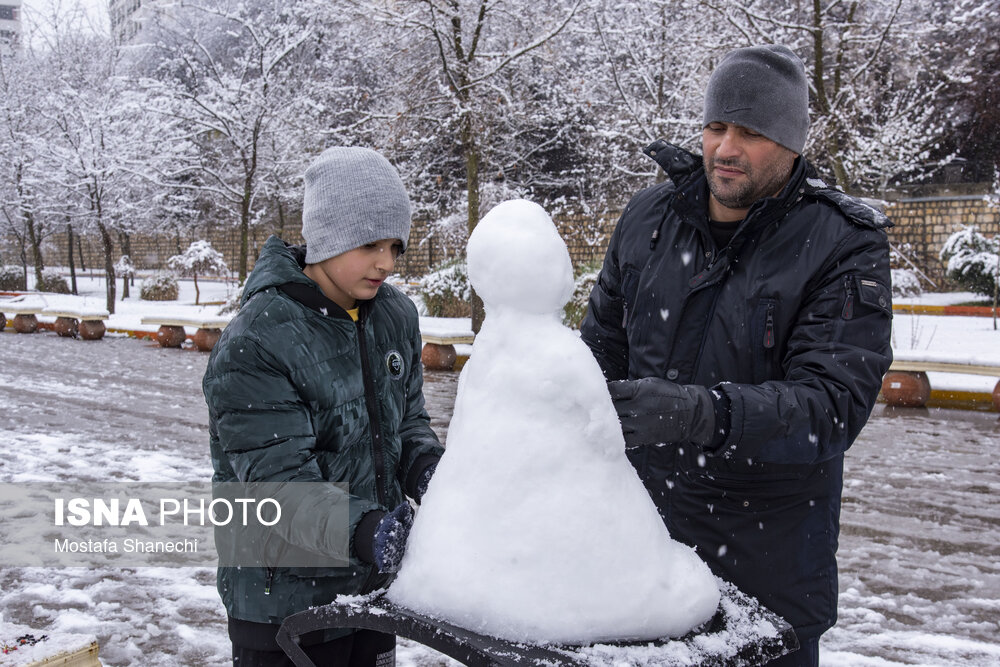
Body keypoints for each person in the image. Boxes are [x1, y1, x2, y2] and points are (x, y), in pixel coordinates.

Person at [580, 45, 893, 666]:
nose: (726, 147)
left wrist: (705, 415)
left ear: (792, 144)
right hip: (642, 558)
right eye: (716, 127)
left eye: (750, 132)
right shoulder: (648, 217)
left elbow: (831, 407)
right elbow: (598, 352)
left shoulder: (843, 243)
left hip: (766, 572)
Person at [203, 146, 443, 666]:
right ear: (328, 237)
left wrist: (429, 470)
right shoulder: (259, 341)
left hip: (372, 594)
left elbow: (409, 423)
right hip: (283, 605)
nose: (386, 262)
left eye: (395, 246)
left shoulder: (394, 315)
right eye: (369, 244)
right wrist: (366, 529)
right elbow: (276, 483)